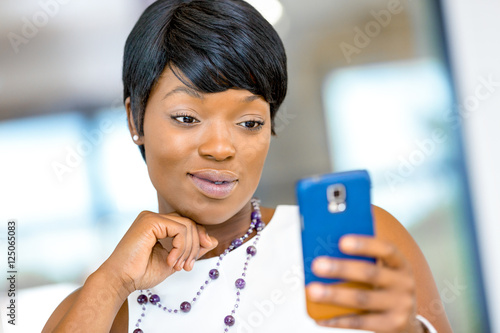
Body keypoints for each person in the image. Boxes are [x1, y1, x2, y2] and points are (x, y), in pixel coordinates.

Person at [43, 0, 453, 332]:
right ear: (135, 121)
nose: (221, 148)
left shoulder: (362, 245)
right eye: (187, 117)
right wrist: (113, 282)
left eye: (249, 122)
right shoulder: (98, 307)